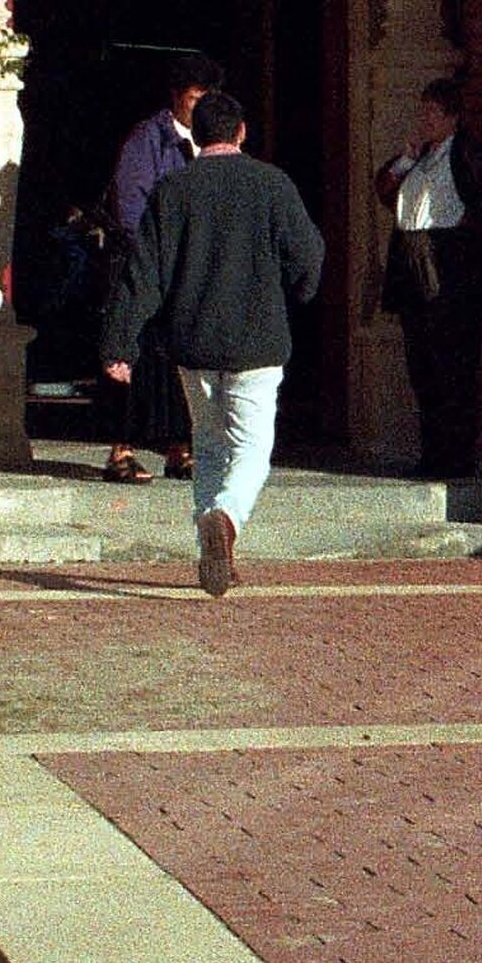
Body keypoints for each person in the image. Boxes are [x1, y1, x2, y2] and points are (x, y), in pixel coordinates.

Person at [100, 85, 324, 594]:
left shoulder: (172, 190)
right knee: (251, 448)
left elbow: (143, 275)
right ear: (242, 132)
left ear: (196, 135)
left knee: (209, 444)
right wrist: (300, 290)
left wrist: (119, 343)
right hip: (257, 341)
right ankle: (224, 519)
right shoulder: (273, 184)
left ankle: (214, 541)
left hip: (192, 341)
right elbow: (307, 256)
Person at [379, 75, 482, 484]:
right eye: (423, 111)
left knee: (454, 369)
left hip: (451, 269)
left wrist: (466, 231)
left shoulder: (466, 153)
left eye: (433, 112)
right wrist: (406, 160)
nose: (425, 119)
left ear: (452, 117)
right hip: (415, 268)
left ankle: (456, 457)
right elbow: (385, 189)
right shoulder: (421, 156)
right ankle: (432, 453)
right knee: (424, 368)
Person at [99, 65, 209, 482]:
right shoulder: (148, 139)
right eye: (194, 99)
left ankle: (180, 446)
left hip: (186, 270)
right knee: (130, 355)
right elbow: (130, 205)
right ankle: (120, 449)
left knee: (180, 358)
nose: (199, 109)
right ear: (178, 97)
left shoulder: (210, 144)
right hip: (146, 263)